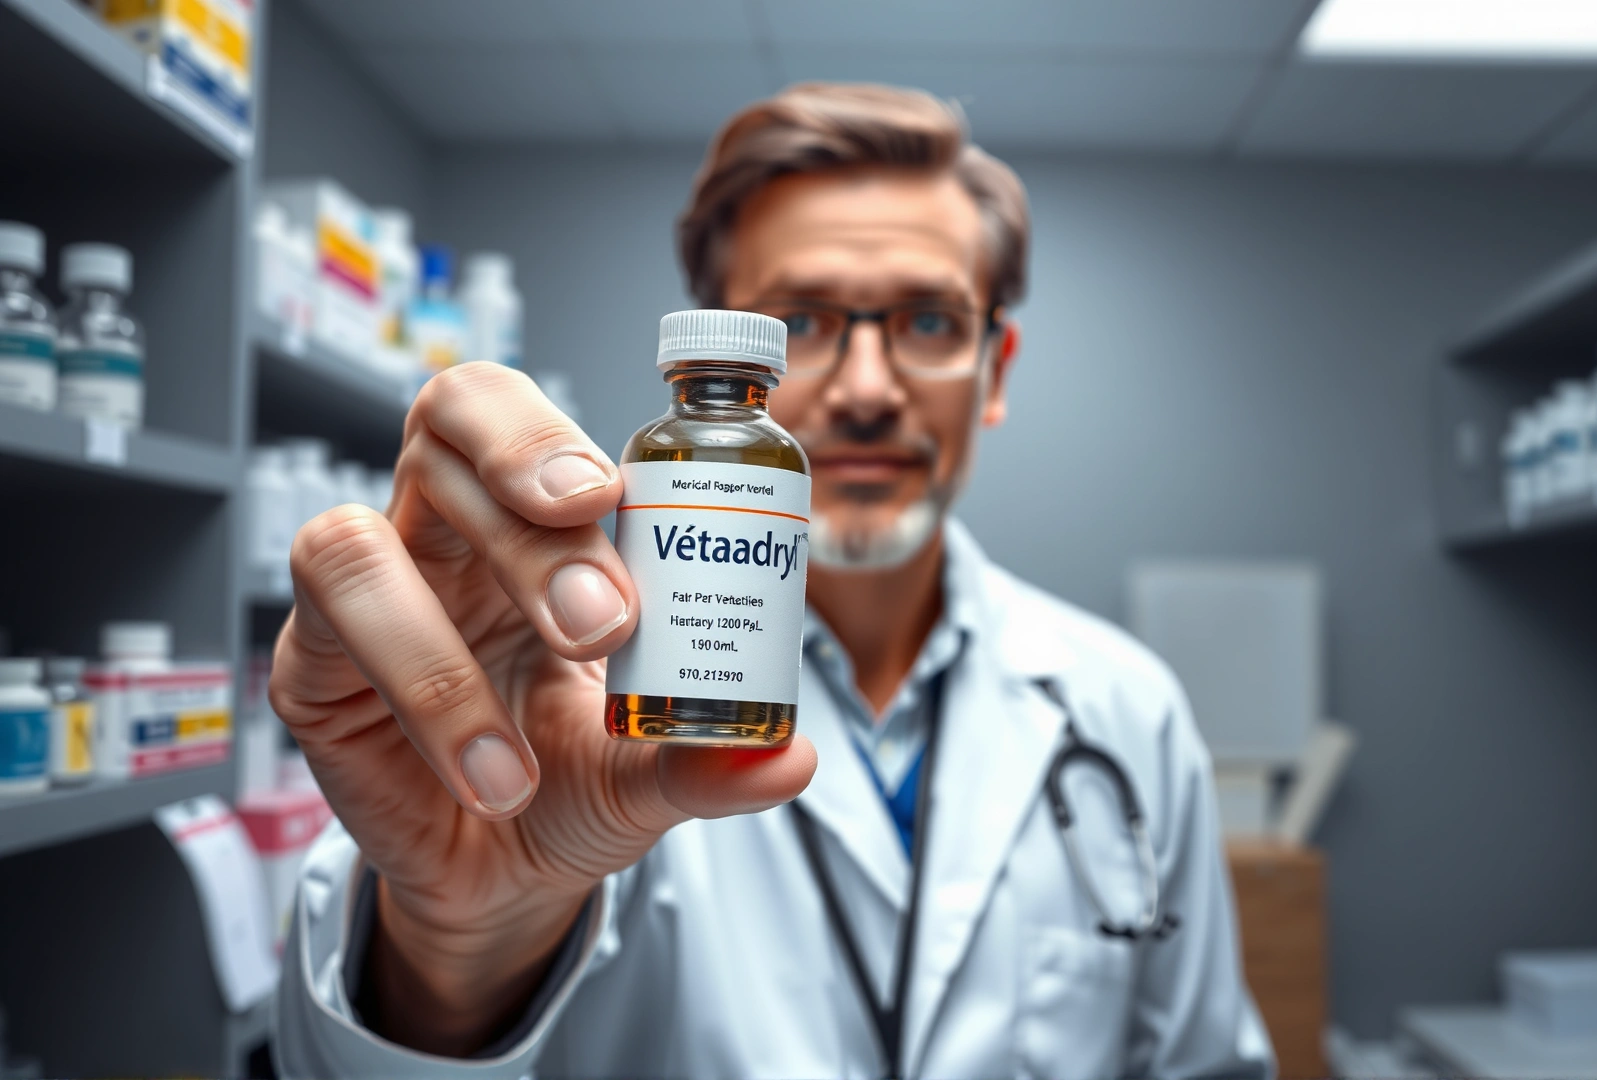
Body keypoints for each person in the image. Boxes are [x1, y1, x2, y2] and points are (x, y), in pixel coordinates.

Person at [272, 82, 1273, 1079]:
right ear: (720, 350)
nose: (870, 390)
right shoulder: (578, 686)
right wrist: (452, 943)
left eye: (929, 323)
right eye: (801, 319)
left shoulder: (1127, 710)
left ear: (995, 369)